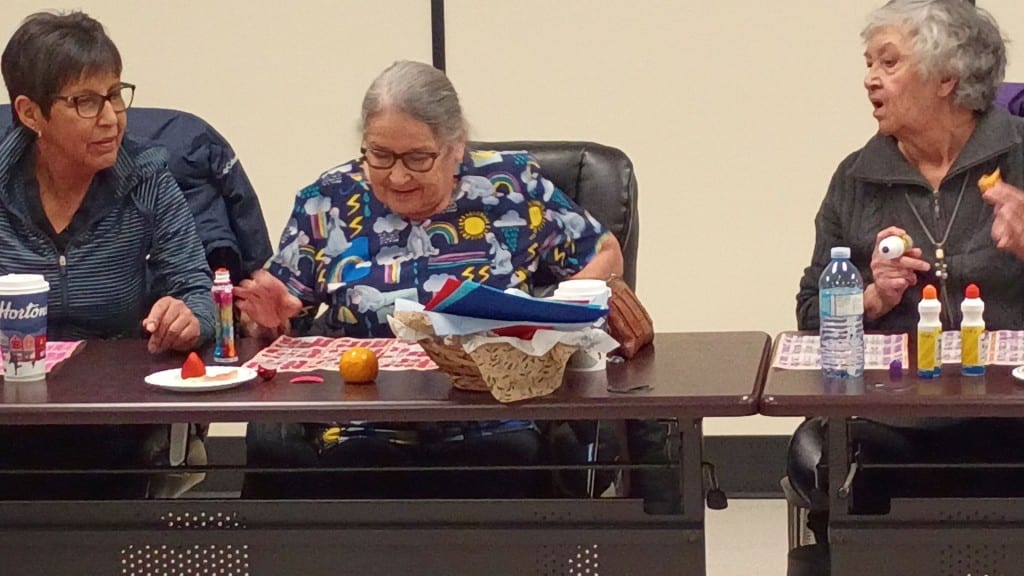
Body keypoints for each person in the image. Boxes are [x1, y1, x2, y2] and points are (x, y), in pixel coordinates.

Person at [236, 60, 624, 498]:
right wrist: (267, 321)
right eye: (379, 155)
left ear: (455, 146)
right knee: (358, 473)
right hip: (363, 424)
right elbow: (279, 317)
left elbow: (604, 252)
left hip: (495, 412)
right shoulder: (330, 198)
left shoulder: (511, 185)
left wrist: (558, 316)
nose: (397, 176)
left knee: (506, 465)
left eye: (418, 158)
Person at [790, 0, 1024, 572]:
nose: (870, 78)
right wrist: (872, 297)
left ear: (948, 77)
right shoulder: (856, 178)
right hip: (891, 417)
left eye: (889, 63)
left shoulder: (1019, 155)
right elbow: (808, 314)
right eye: (869, 63)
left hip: (1013, 410)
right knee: (849, 461)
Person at [0, 11, 215, 498]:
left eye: (116, 95)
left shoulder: (146, 177)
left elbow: (198, 294)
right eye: (85, 102)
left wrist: (188, 317)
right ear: (31, 113)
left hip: (114, 420)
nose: (112, 117)